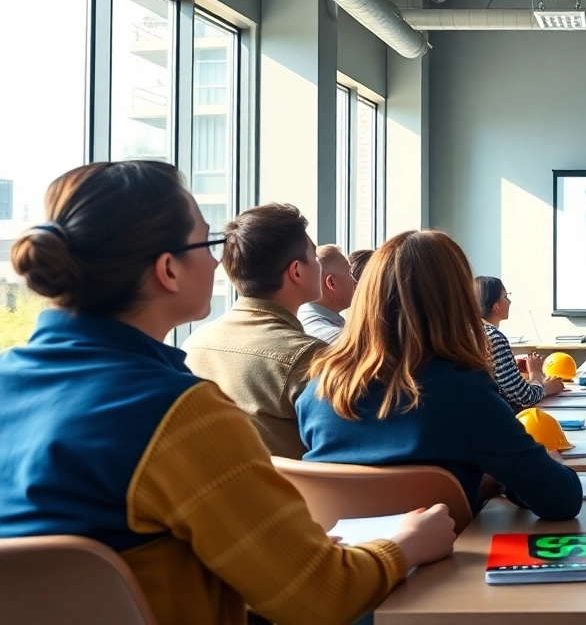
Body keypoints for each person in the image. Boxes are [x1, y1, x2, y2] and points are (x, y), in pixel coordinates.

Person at [0, 161, 455, 625]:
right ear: (168, 271)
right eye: (207, 242)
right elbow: (322, 596)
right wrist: (409, 542)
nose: (219, 260)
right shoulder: (177, 412)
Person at [298, 231, 582, 520]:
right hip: (444, 559)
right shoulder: (465, 393)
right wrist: (529, 470)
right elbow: (562, 502)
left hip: (350, 560)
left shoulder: (315, 391)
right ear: (457, 301)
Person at [182, 203, 324, 459]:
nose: (318, 264)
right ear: (296, 271)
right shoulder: (309, 357)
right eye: (314, 257)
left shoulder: (194, 343)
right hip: (290, 497)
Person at [475, 275, 563, 411]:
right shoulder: (493, 339)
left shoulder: (470, 333)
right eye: (505, 297)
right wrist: (537, 375)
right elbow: (524, 398)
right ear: (496, 307)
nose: (509, 301)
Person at [298, 243, 355, 343]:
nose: (355, 281)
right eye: (350, 273)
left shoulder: (305, 316)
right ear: (331, 282)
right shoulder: (332, 338)